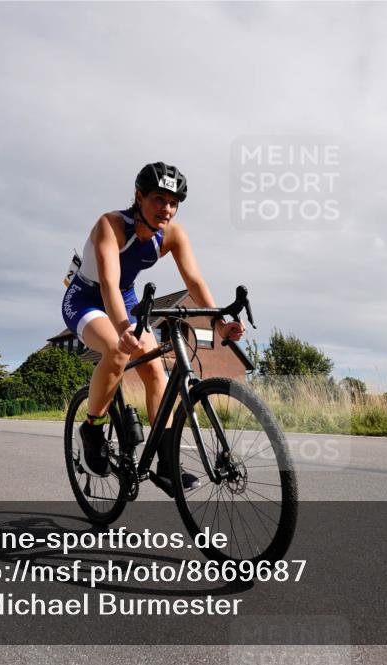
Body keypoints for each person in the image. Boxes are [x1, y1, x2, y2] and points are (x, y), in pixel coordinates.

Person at [61, 162, 244, 496]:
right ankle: (92, 428)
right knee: (118, 348)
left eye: (173, 202)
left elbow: (194, 280)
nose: (167, 209)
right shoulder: (111, 225)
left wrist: (220, 325)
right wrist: (122, 328)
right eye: (159, 199)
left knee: (155, 370)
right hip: (87, 297)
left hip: (127, 296)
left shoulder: (172, 234)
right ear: (139, 197)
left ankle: (165, 462)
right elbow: (108, 286)